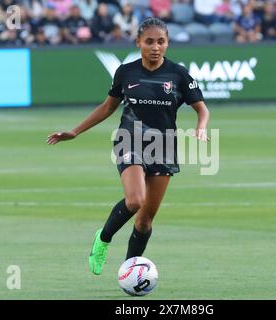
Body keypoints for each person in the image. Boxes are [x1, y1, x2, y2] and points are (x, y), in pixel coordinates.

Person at [46, 17, 210, 276]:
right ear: (138, 43)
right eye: (149, 42)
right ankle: (104, 238)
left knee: (144, 221)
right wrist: (75, 131)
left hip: (164, 146)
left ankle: (129, 272)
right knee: (135, 200)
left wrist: (201, 127)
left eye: (161, 42)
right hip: (129, 139)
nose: (156, 47)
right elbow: (107, 107)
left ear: (167, 43)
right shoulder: (126, 72)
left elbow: (202, 109)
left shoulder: (178, 75)